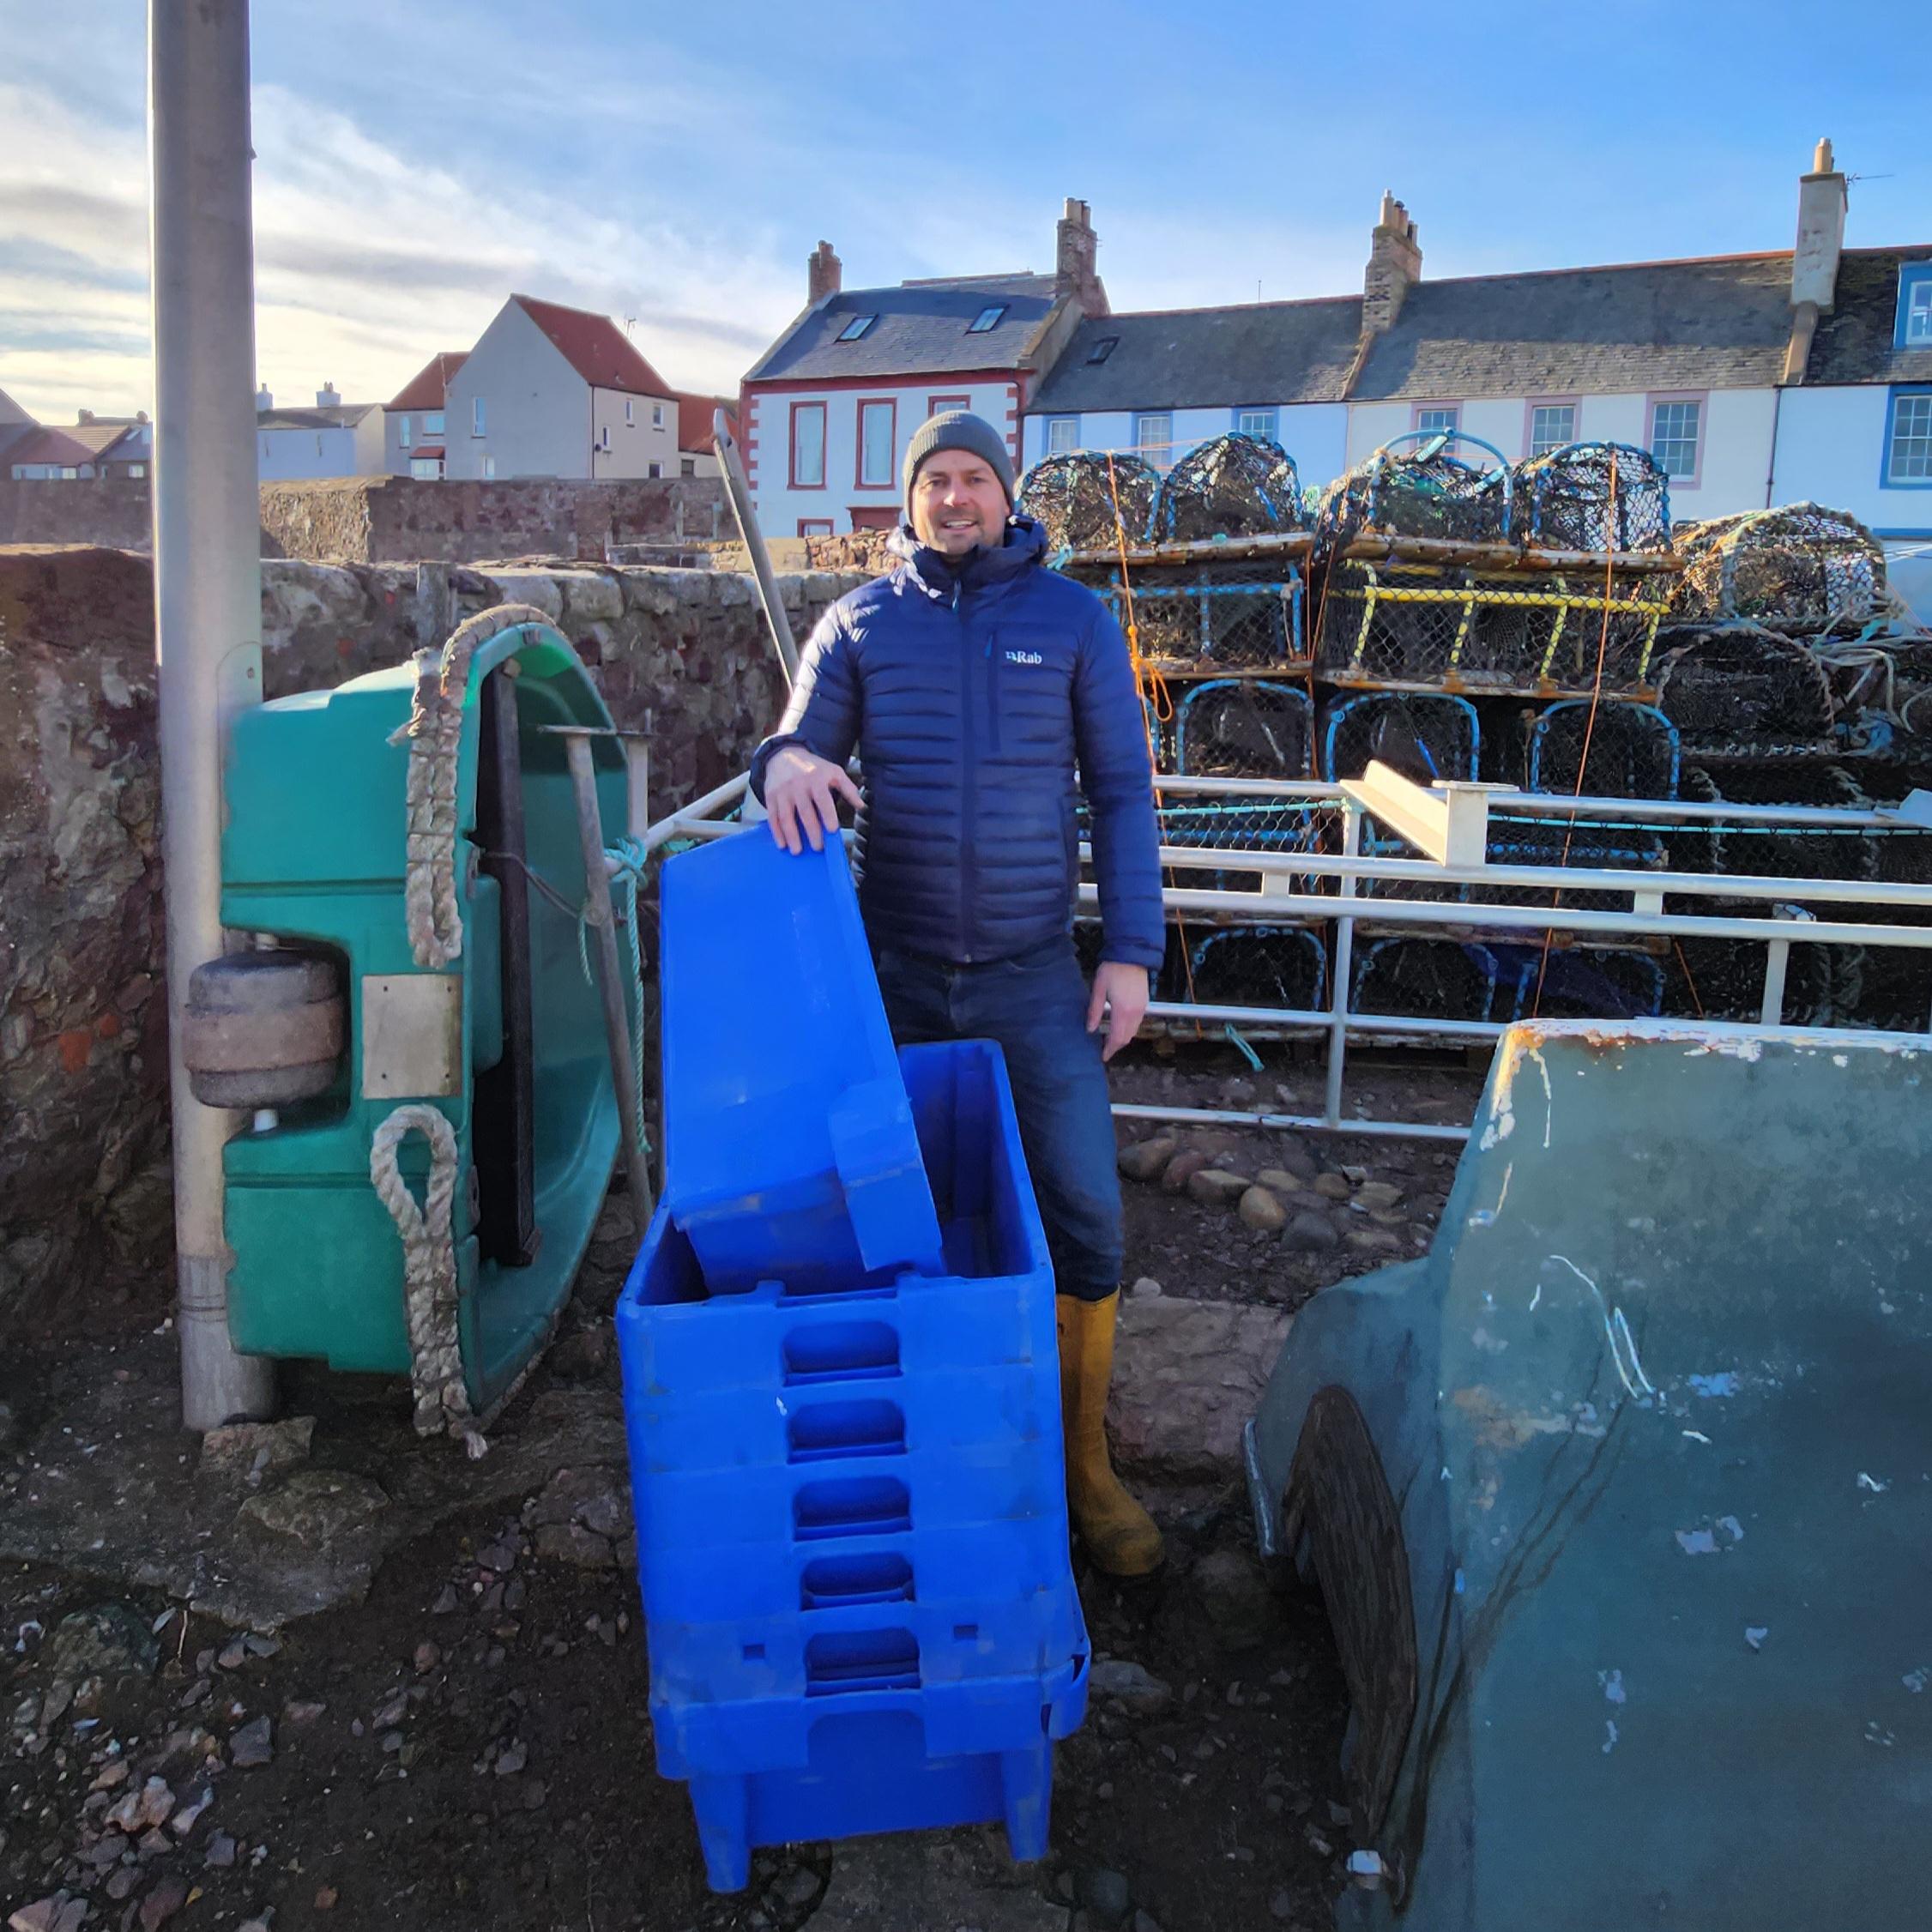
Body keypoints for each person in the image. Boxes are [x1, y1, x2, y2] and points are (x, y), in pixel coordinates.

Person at [751, 410, 1166, 1577]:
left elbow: (1125, 798)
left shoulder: (1075, 621)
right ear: (912, 498)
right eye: (934, 480)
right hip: (893, 973)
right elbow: (796, 746)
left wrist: (1128, 952)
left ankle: (1081, 1470)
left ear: (1007, 494)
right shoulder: (858, 624)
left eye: (973, 478)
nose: (953, 498)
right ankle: (922, 1443)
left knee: (1085, 1208)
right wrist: (780, 761)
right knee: (886, 1207)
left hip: (1036, 974)